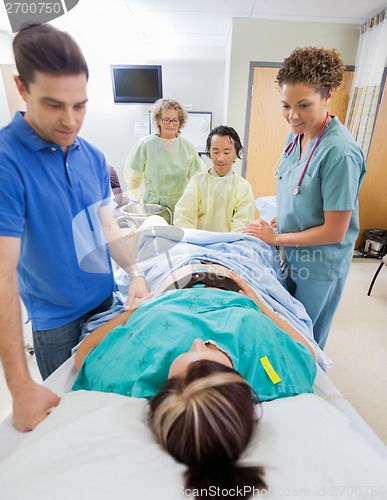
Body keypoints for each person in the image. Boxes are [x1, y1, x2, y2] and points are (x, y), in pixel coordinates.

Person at [0, 23, 149, 432]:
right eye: (54, 105)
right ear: (22, 87)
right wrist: (20, 386)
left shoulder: (93, 157)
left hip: (104, 301)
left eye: (79, 105)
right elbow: (2, 279)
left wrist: (134, 274)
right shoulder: (6, 161)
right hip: (55, 321)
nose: (70, 121)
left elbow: (107, 226)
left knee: (112, 403)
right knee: (66, 421)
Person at [72, 265, 316, 498]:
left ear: (164, 390)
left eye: (185, 354)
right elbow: (308, 355)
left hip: (173, 284)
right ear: (239, 386)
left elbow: (84, 354)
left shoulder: (138, 363)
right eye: (215, 357)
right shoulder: (261, 349)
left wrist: (139, 310)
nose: (197, 342)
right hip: (231, 283)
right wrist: (261, 307)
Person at [243, 47, 366, 350]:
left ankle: (306, 390)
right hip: (292, 249)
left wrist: (275, 238)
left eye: (303, 105)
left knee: (304, 337)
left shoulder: (340, 153)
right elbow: (296, 189)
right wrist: (281, 222)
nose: (292, 116)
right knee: (283, 322)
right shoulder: (296, 134)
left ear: (328, 96)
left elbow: (335, 230)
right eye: (285, 105)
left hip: (322, 262)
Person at [124, 98, 202, 222]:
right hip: (153, 208)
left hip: (180, 207)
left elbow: (197, 179)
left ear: (180, 122)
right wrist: (133, 197)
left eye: (175, 120)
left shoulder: (188, 148)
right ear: (158, 120)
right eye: (166, 120)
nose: (171, 124)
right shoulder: (146, 145)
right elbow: (134, 174)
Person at [174, 125, 255, 232]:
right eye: (216, 152)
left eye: (226, 152)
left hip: (230, 246)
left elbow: (243, 224)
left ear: (235, 151)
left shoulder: (243, 187)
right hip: (198, 244)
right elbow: (184, 217)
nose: (220, 158)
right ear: (210, 152)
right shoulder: (197, 182)